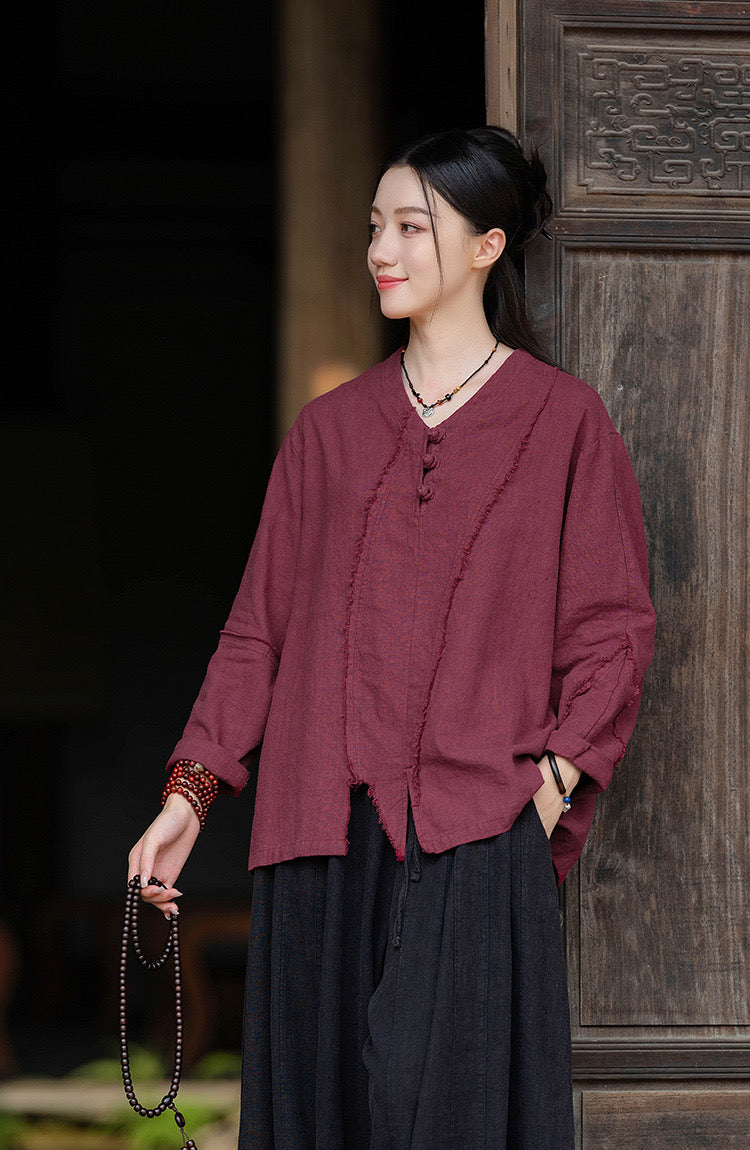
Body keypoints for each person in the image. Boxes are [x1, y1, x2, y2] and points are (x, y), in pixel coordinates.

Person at [128, 125, 656, 1149]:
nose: (382, 249)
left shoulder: (566, 423)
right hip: (319, 840)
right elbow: (257, 632)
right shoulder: (327, 433)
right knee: (320, 1116)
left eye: (412, 227)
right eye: (376, 226)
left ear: (488, 246)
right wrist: (189, 797)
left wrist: (548, 787)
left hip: (480, 834)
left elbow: (613, 632)